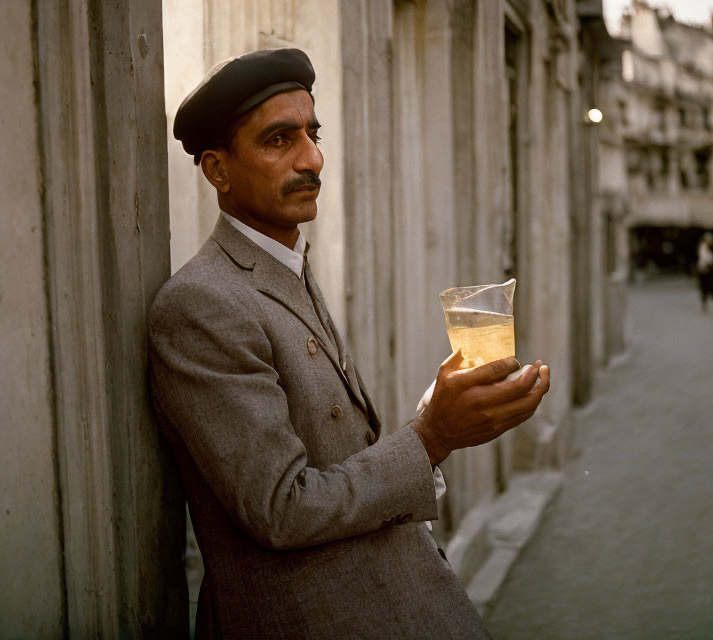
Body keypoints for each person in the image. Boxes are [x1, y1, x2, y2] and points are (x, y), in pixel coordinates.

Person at [147, 48, 551, 639]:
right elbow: (281, 506)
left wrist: (443, 409)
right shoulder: (201, 304)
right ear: (217, 169)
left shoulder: (286, 265)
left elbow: (337, 449)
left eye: (313, 133)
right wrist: (433, 435)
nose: (312, 159)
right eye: (278, 140)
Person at [696, 232, 713, 311]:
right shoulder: (703, 247)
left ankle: (706, 303)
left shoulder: (706, 248)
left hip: (706, 270)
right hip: (704, 270)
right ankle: (705, 304)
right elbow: (705, 259)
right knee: (705, 287)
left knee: (706, 287)